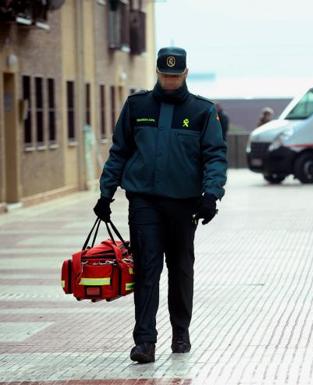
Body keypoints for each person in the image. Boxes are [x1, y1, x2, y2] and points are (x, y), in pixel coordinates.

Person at [92, 47, 227, 364]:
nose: (169, 81)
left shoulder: (201, 111)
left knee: (180, 270)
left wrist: (211, 194)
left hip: (183, 205)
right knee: (146, 271)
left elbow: (215, 155)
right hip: (145, 203)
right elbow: (119, 152)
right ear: (157, 73)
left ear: (185, 74)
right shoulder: (137, 106)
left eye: (175, 76)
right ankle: (145, 342)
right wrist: (105, 194)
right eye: (165, 75)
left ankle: (181, 332)